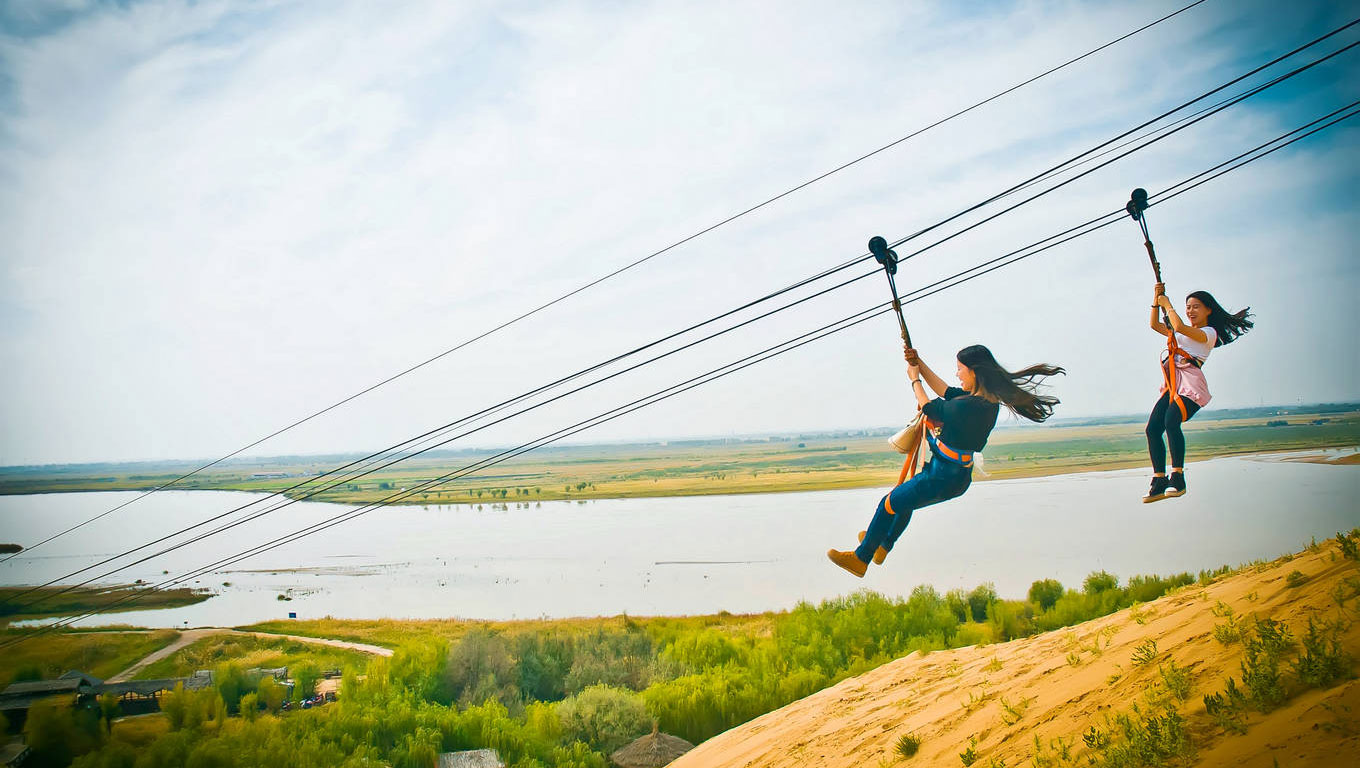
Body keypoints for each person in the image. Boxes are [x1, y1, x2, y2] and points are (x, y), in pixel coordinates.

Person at [827, 345, 1064, 577]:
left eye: (960, 369)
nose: (957, 374)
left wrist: (914, 379)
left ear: (974, 371)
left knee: (888, 503)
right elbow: (944, 390)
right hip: (953, 476)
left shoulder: (965, 406)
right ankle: (881, 545)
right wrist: (919, 364)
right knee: (903, 501)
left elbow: (929, 407)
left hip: (941, 476)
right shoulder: (984, 403)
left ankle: (861, 559)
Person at [1143, 285, 1253, 502]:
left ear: (1208, 310)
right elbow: (1154, 324)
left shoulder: (1207, 334)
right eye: (1188, 307)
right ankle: (1159, 479)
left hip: (1191, 386)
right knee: (1153, 428)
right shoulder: (1181, 331)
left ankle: (1178, 477)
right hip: (1173, 385)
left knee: (1171, 421)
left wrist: (1167, 304)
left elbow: (1179, 327)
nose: (1191, 311)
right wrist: (1156, 300)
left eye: (1196, 307)